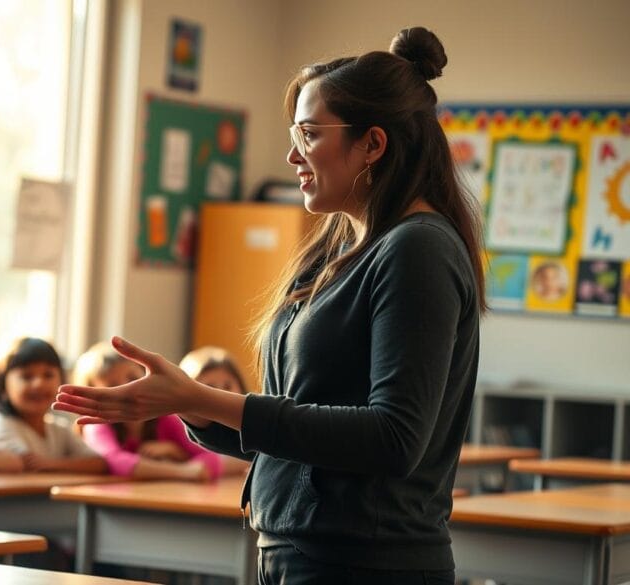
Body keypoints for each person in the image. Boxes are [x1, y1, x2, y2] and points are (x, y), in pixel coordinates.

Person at [55, 26, 485, 584]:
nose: (291, 155)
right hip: (296, 551)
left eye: (310, 134)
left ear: (373, 144)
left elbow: (392, 439)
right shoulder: (337, 248)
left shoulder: (418, 248)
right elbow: (297, 423)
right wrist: (189, 406)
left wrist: (203, 394)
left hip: (365, 564)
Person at [73, 341, 221, 481]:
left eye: (132, 378)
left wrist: (176, 452)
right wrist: (184, 472)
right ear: (93, 396)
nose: (128, 389)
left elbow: (210, 457)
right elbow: (113, 460)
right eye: (113, 386)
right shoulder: (97, 424)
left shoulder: (166, 418)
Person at [0, 337, 107, 474]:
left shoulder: (59, 429)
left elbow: (98, 463)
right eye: (27, 376)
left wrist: (50, 464)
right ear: (3, 387)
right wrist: (67, 465)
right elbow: (25, 465)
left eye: (48, 375)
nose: (39, 384)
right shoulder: (0, 424)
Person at [178, 346, 253, 475]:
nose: (220, 393)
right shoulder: (177, 424)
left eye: (227, 386)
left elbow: (205, 465)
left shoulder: (251, 426)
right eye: (209, 387)